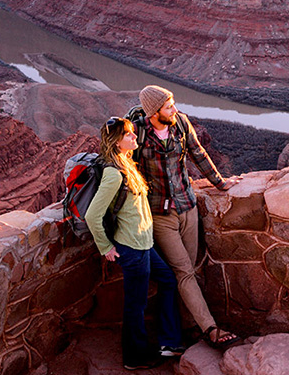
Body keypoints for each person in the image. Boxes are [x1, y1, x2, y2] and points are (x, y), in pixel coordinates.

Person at [136, 85, 240, 350]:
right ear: (154, 111)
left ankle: (188, 328)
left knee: (189, 271)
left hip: (188, 207)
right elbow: (129, 170)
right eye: (169, 106)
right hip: (160, 215)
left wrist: (220, 183)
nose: (175, 109)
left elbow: (198, 153)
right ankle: (210, 329)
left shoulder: (180, 123)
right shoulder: (138, 132)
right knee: (183, 271)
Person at [85, 116, 184, 370]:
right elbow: (92, 215)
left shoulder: (127, 163)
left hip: (145, 244)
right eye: (128, 135)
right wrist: (105, 248)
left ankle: (168, 342)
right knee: (135, 305)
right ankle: (134, 357)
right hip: (132, 249)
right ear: (118, 142)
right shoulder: (113, 174)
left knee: (169, 280)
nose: (134, 137)